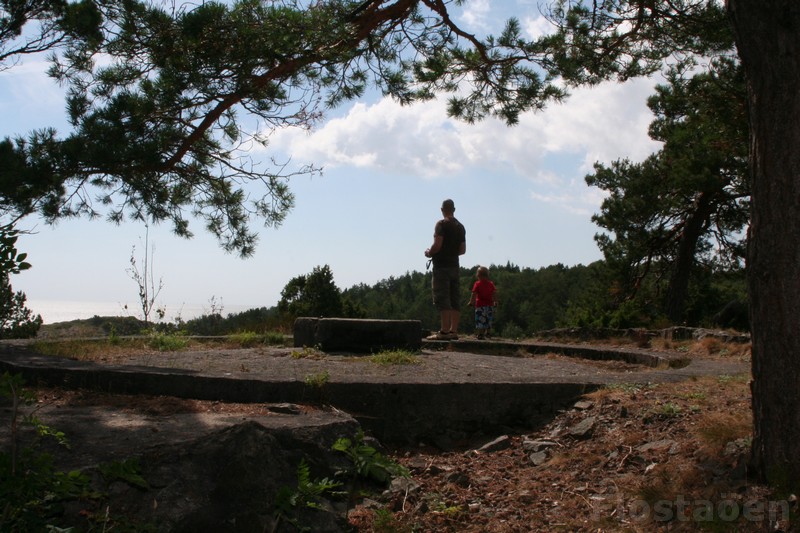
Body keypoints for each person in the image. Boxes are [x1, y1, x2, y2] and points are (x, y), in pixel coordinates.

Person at [424, 199, 466, 340]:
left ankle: (444, 332)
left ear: (442, 210)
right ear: (454, 209)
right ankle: (453, 332)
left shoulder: (441, 224)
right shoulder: (460, 227)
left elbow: (437, 245)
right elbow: (462, 250)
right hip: (455, 266)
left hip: (442, 267)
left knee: (443, 298)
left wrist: (429, 252)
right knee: (454, 298)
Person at [468, 266, 498, 339]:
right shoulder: (491, 284)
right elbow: (494, 293)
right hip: (489, 305)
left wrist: (471, 302)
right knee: (488, 319)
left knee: (480, 319)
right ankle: (488, 333)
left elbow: (474, 293)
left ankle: (481, 334)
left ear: (478, 275)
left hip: (480, 305)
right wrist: (496, 301)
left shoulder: (477, 284)